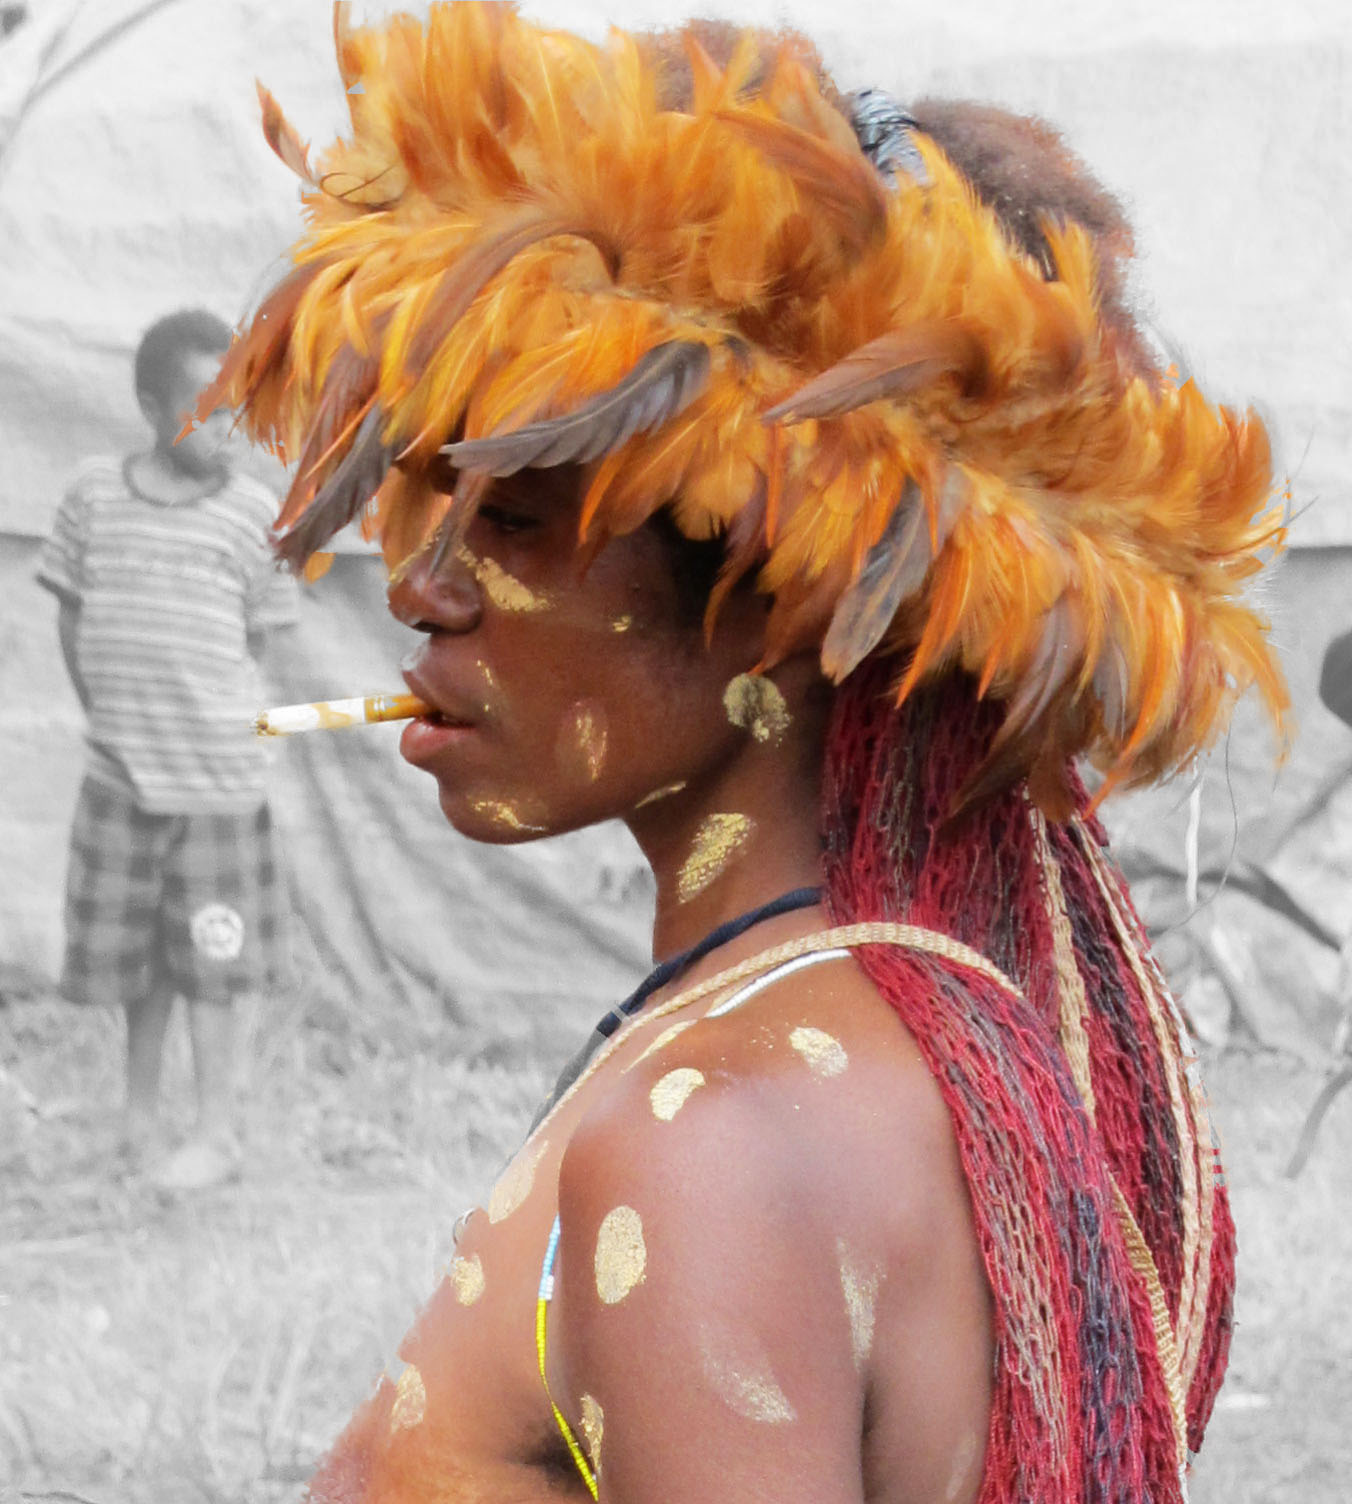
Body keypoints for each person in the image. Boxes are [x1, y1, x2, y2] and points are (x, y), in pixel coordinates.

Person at [210, 8, 1288, 1500]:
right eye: (428, 506)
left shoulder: (710, 1141)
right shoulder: (908, 1040)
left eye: (512, 518)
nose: (420, 586)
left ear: (783, 601)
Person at [38, 308, 298, 1191]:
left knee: (216, 965)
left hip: (216, 789)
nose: (229, 429)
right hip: (120, 779)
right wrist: (115, 720)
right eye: (206, 411)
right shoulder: (92, 498)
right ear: (152, 409)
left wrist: (208, 731)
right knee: (139, 964)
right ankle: (139, 1122)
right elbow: (73, 619)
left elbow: (254, 648)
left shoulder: (254, 518)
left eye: (239, 411)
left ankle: (216, 1133)